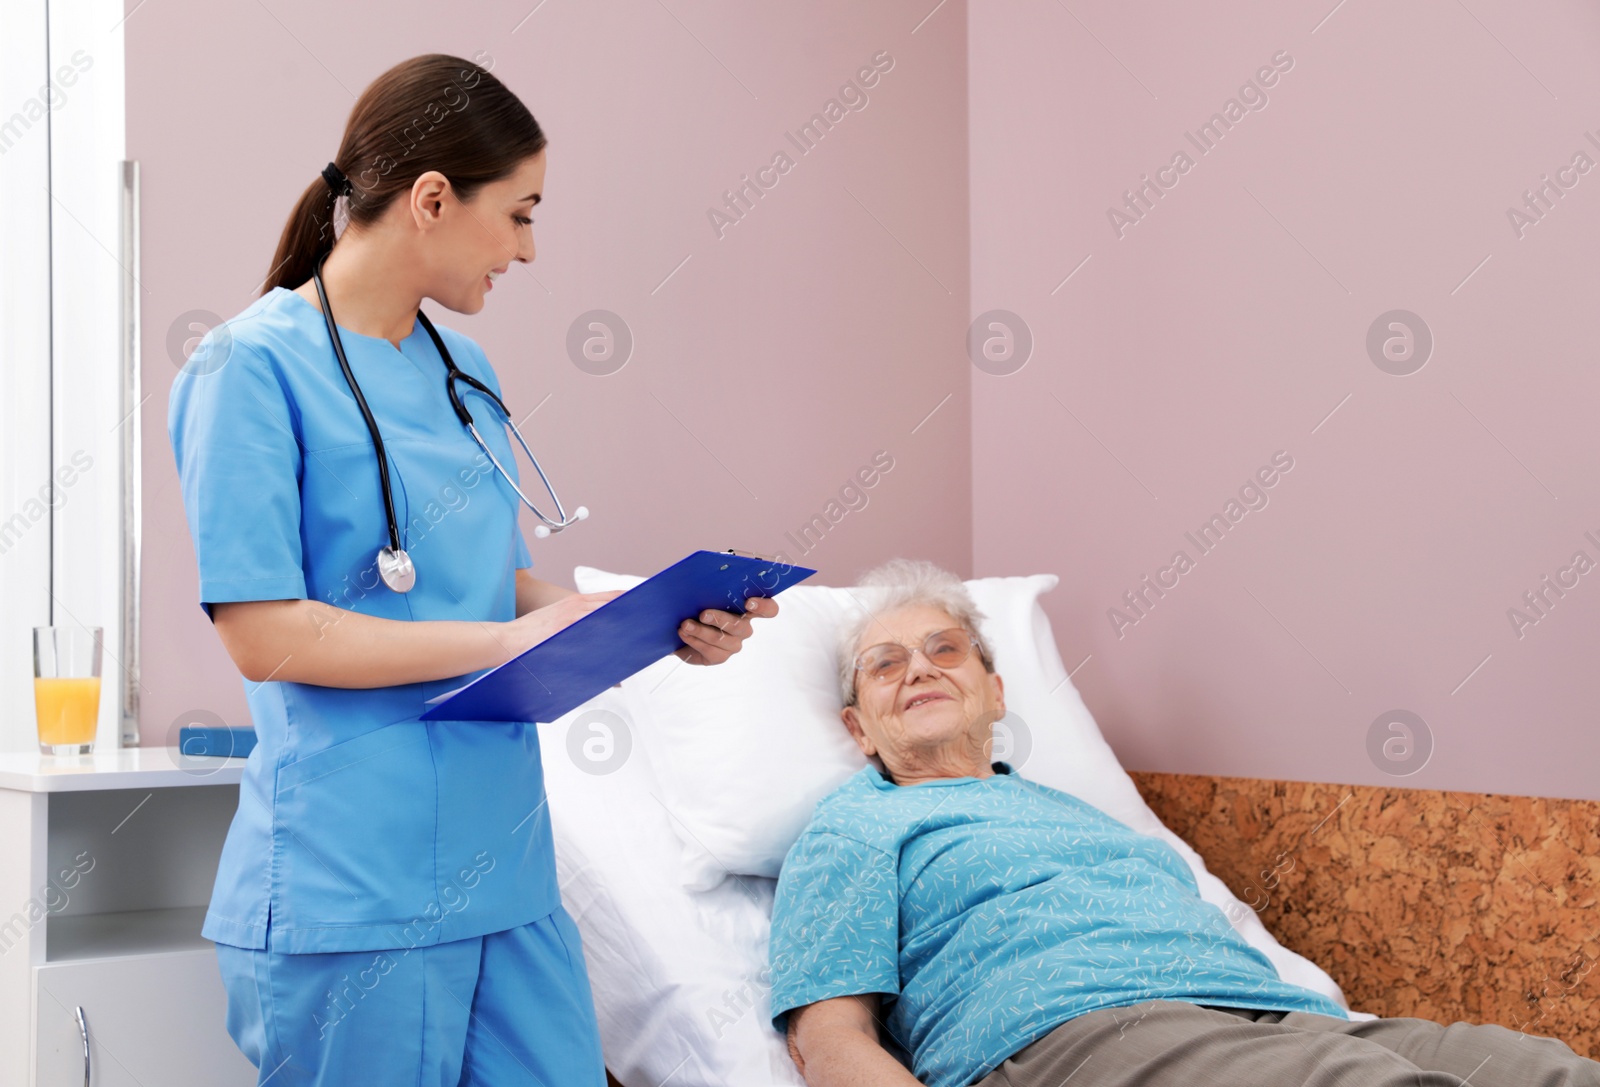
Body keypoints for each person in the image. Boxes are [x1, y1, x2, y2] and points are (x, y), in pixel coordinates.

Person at [167, 53, 776, 1087]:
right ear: (432, 200)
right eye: (521, 215)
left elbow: (501, 584)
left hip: (505, 869)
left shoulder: (463, 370)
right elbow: (263, 633)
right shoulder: (247, 368)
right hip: (353, 880)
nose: (530, 251)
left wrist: (648, 617)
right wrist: (504, 639)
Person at [769, 559, 1600, 1087]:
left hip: (1268, 1012)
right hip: (1072, 1033)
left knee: (1545, 1071)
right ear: (857, 726)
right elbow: (830, 1036)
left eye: (945, 648)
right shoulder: (854, 829)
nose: (918, 666)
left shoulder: (1080, 814)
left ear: (995, 691)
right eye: (885, 663)